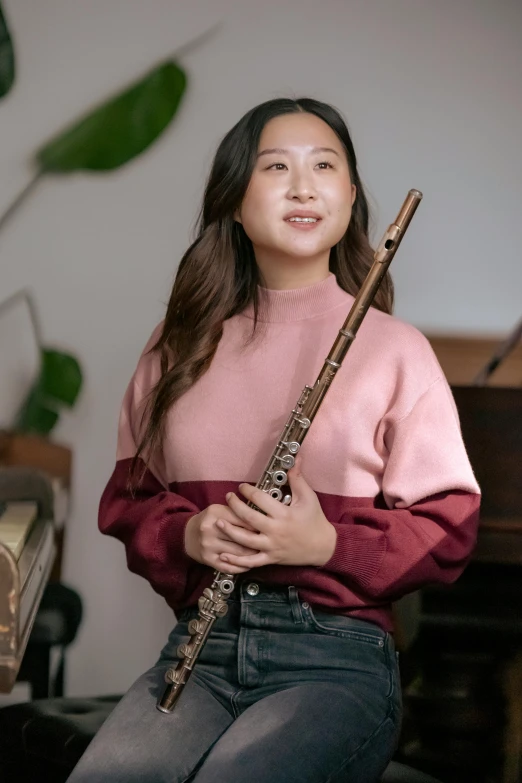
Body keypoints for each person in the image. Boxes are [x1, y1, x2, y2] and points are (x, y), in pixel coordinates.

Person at [67, 97, 480, 783]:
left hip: (338, 658)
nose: (303, 184)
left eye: (325, 165)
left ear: (350, 196)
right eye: (275, 166)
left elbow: (450, 529)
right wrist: (188, 534)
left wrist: (326, 544)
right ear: (233, 199)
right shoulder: (181, 342)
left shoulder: (394, 349)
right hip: (203, 649)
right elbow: (129, 500)